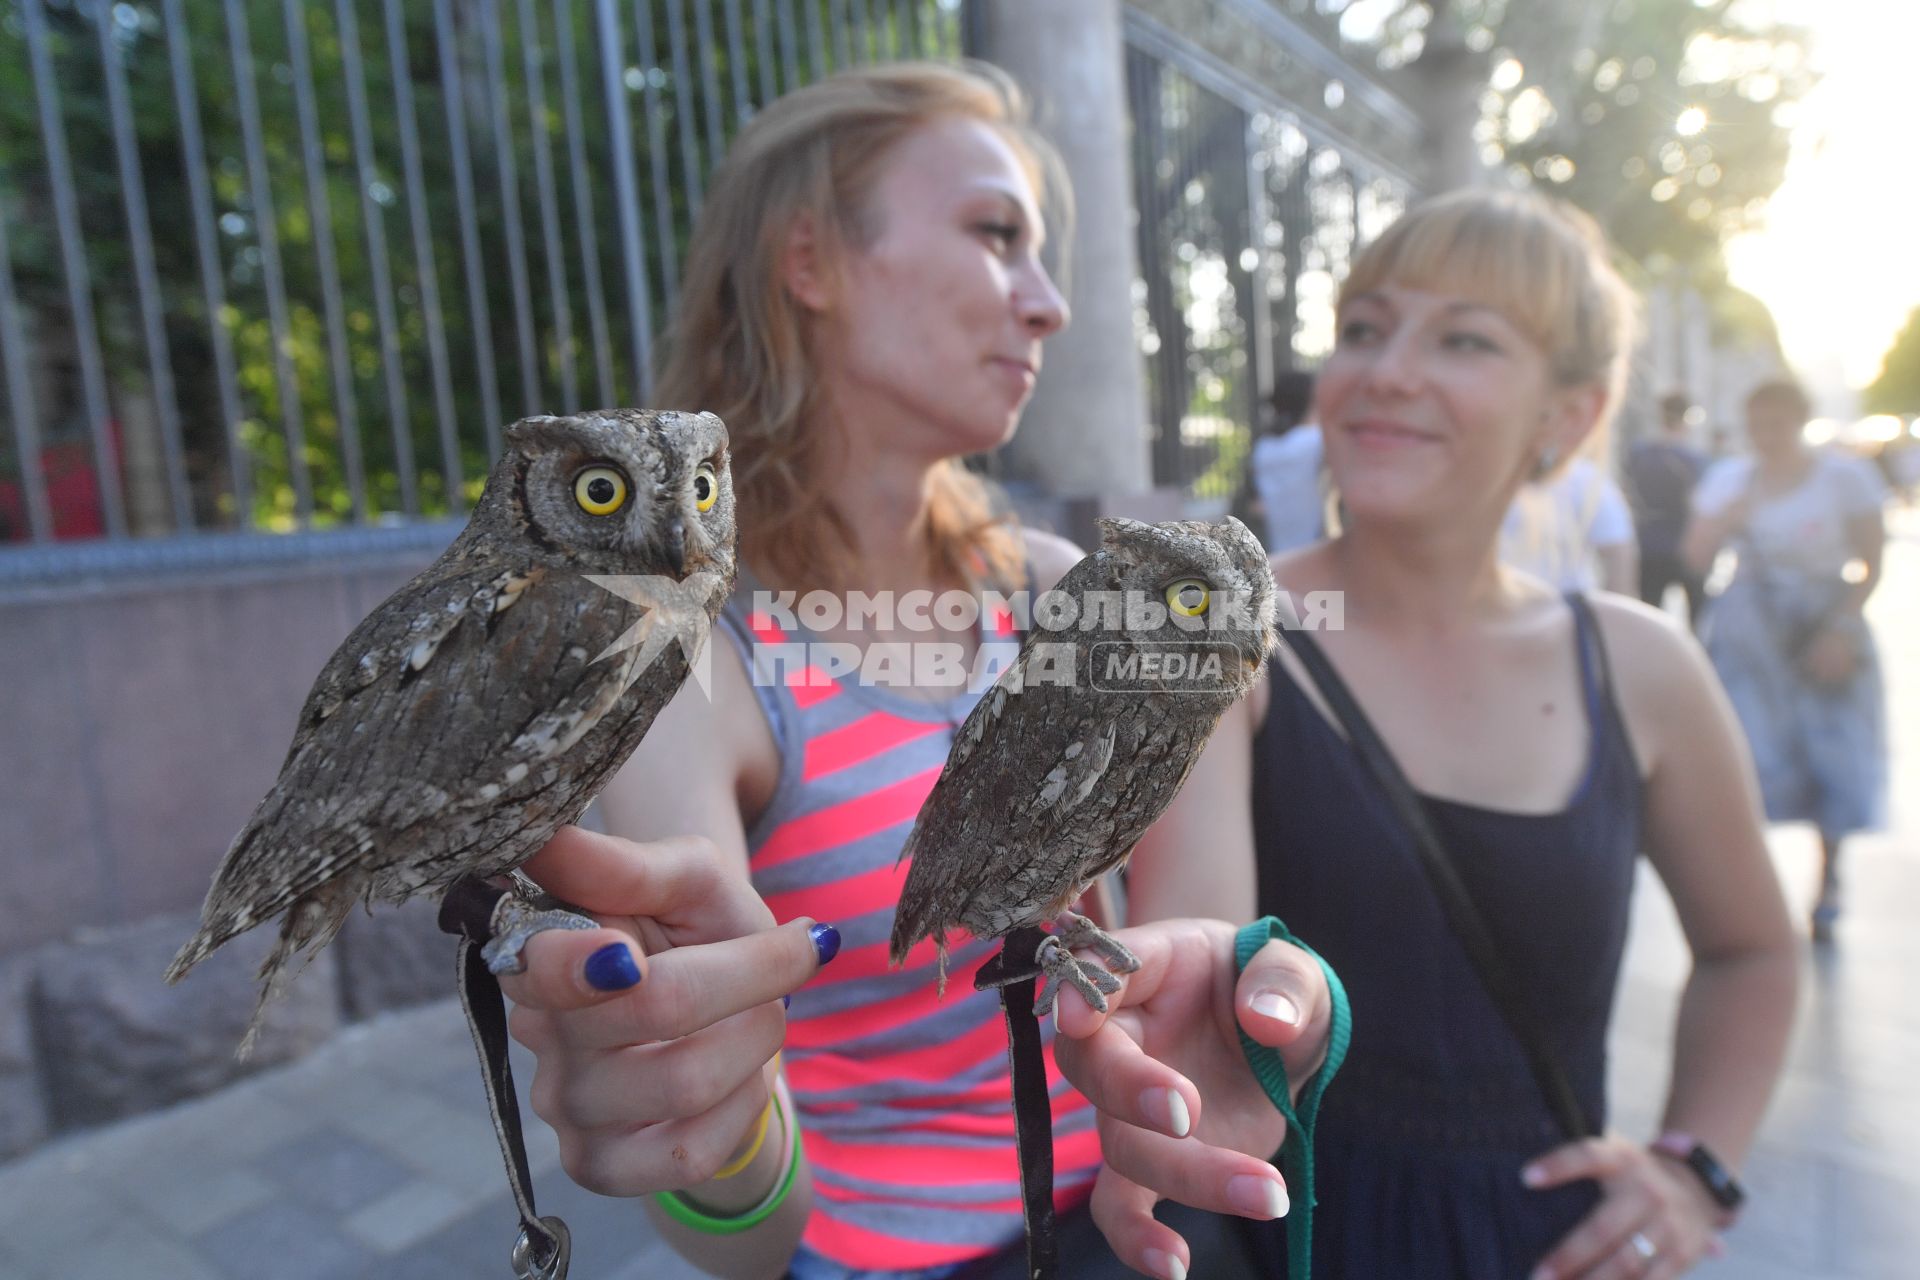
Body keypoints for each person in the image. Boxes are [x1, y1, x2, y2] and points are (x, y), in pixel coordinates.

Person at [493, 62, 1319, 1280]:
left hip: (1141, 1224)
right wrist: (709, 1131)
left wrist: (1240, 1015)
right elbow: (743, 1221)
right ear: (810, 260)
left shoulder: (1072, 594)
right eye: (997, 234)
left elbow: (1205, 934)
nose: (1046, 305)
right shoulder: (695, 656)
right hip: (872, 1255)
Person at [1066, 189, 1800, 1279]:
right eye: (1365, 327)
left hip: (1548, 1241)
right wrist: (1201, 1023)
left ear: (1567, 413)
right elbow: (1206, 953)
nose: (1386, 369)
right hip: (1292, 1230)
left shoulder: (1641, 665)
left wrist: (1696, 1169)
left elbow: (1754, 950)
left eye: (1463, 338)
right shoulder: (1223, 642)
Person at [1683, 379, 1890, 942]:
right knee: (1747, 753)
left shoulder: (1844, 478)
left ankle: (1830, 876)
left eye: (1776, 423)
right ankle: (1752, 885)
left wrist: (1842, 628)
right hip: (1751, 632)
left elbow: (1872, 561)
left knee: (1832, 753)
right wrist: (1726, 519)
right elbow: (1696, 557)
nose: (1765, 436)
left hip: (1823, 622)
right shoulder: (1729, 480)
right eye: (1757, 424)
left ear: (1799, 420)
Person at [1500, 448, 1639, 594]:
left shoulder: (1586, 479)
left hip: (1564, 604)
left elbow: (1617, 552)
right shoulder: (1588, 478)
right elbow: (1618, 552)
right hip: (1557, 603)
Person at [1625, 393, 1710, 627]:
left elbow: (1629, 496)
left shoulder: (1639, 453)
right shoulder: (1693, 459)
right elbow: (1699, 506)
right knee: (1699, 624)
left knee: (1650, 624)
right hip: (1684, 547)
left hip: (1648, 545)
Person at [1245, 370, 1326, 553]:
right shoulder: (1315, 442)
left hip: (1273, 553)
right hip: (1314, 550)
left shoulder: (1263, 446)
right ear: (1311, 402)